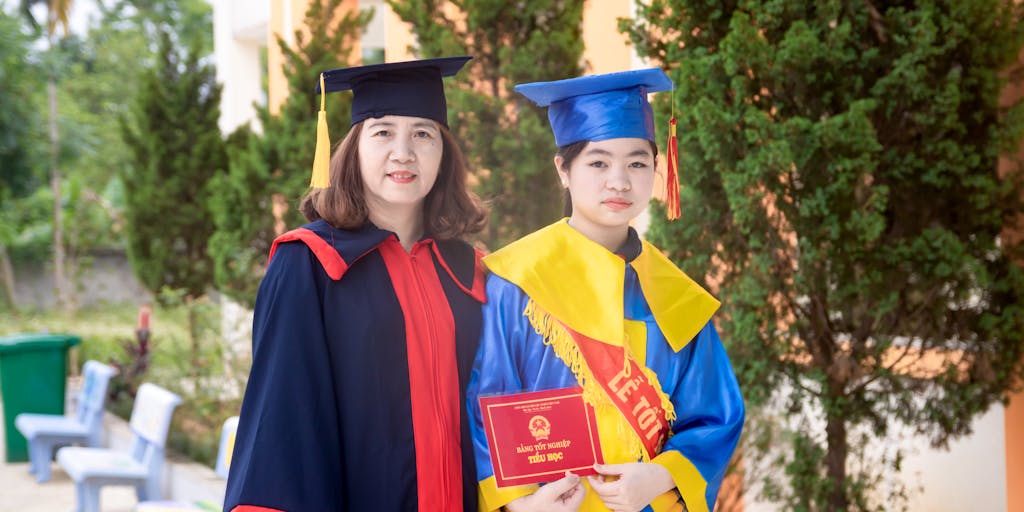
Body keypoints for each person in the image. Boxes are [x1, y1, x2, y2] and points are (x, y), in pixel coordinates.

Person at [467, 68, 744, 512]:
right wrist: (519, 505)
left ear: (656, 169)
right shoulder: (515, 281)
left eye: (637, 163)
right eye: (598, 163)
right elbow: (484, 405)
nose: (619, 181)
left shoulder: (675, 295)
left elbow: (715, 415)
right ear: (564, 169)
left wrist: (661, 475)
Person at [223, 56, 488, 512]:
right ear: (352, 147)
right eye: (382, 131)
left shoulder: (470, 273)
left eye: (422, 134)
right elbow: (283, 416)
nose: (403, 152)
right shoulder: (310, 264)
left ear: (444, 154)